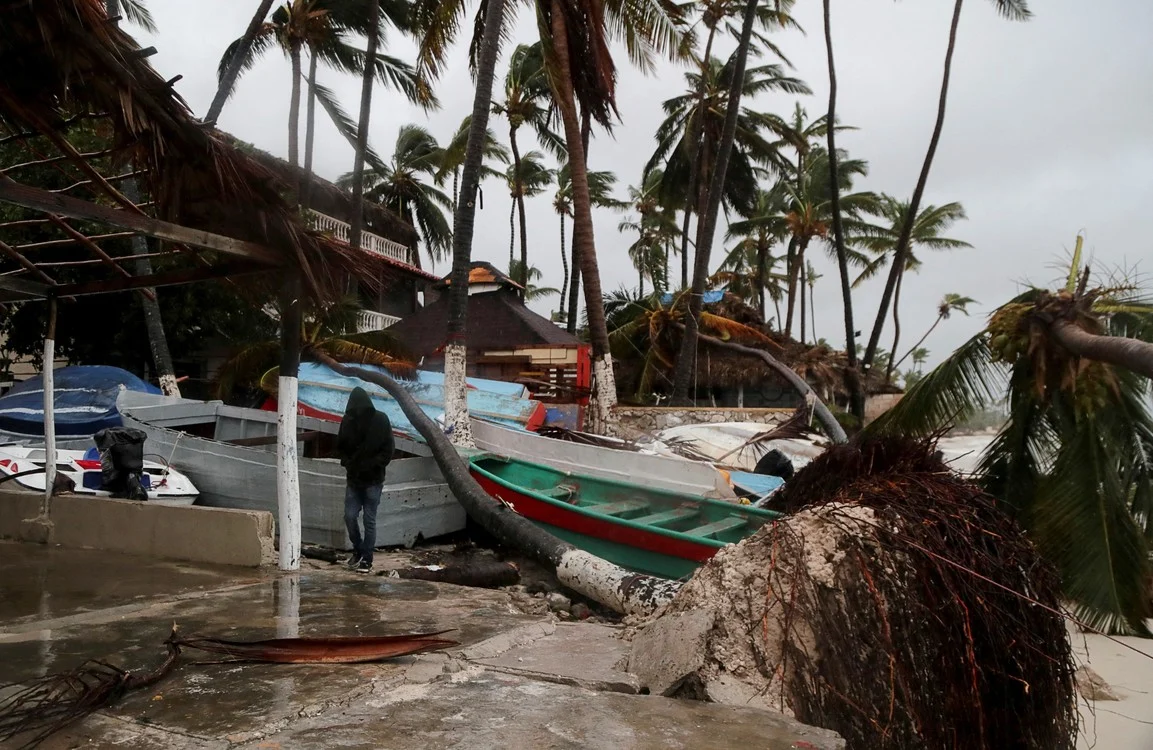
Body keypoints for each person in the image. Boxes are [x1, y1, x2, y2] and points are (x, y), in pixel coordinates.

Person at [337, 387, 394, 573]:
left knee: (369, 521)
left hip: (373, 480)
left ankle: (366, 559)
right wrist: (347, 463)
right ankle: (359, 549)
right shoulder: (347, 421)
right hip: (354, 479)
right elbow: (340, 446)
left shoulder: (381, 420)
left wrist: (373, 465)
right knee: (350, 516)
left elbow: (388, 449)